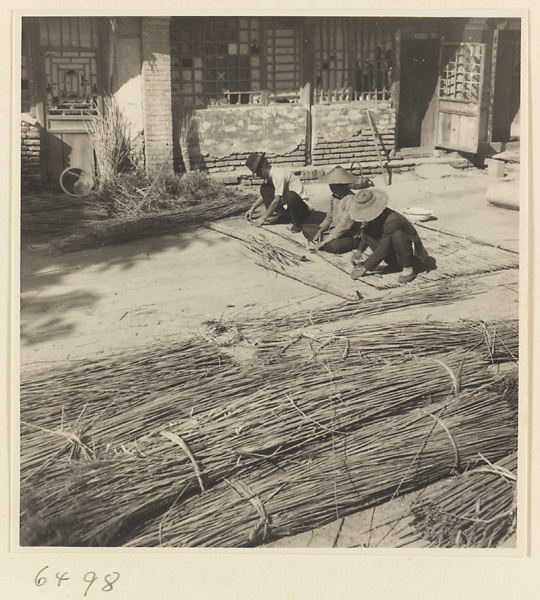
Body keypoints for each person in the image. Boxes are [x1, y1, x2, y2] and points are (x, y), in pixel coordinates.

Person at [349, 188, 428, 284]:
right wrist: (359, 251)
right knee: (366, 231)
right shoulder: (375, 218)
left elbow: (383, 248)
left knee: (398, 236)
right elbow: (367, 234)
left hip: (410, 256)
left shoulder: (392, 220)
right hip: (394, 254)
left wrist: (363, 269)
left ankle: (408, 269)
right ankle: (393, 265)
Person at [245, 152, 310, 232]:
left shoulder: (279, 175)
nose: (258, 176)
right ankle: (282, 216)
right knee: (264, 188)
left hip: (302, 211)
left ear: (262, 170)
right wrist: (252, 209)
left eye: (257, 173)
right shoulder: (271, 177)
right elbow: (263, 195)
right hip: (290, 209)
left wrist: (263, 218)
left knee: (290, 195)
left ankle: (297, 224)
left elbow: (276, 201)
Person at [303, 166, 361, 254]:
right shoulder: (334, 197)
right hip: (332, 231)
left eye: (336, 186)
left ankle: (325, 242)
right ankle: (324, 240)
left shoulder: (351, 199)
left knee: (334, 246)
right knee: (306, 228)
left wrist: (323, 242)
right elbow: (329, 217)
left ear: (344, 185)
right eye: (331, 186)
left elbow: (344, 226)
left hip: (347, 234)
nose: (333, 189)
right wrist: (320, 231)